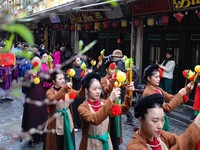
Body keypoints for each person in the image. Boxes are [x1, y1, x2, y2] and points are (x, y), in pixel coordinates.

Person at [78, 72, 134, 150]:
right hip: (90, 144)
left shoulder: (104, 103)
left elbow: (123, 109)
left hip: (106, 143)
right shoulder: (83, 107)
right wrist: (110, 99)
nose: (98, 91)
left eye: (99, 88)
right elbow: (94, 119)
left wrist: (128, 94)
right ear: (87, 90)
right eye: (94, 89)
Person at [127, 93, 200, 150]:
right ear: (141, 120)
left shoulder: (162, 136)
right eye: (155, 120)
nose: (160, 126)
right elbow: (184, 143)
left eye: (162, 120)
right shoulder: (134, 146)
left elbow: (180, 141)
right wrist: (194, 130)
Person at [142, 64, 193, 131]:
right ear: (148, 78)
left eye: (159, 77)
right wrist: (180, 94)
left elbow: (170, 97)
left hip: (161, 119)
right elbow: (167, 108)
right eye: (156, 77)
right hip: (154, 123)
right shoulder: (149, 92)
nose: (159, 79)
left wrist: (187, 89)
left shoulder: (158, 89)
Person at [45, 70, 84, 150]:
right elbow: (53, 99)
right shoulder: (50, 92)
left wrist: (84, 85)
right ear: (53, 81)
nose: (63, 80)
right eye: (60, 79)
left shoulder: (68, 90)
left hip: (67, 119)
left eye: (63, 78)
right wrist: (64, 89)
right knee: (58, 143)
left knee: (69, 141)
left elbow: (78, 94)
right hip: (56, 122)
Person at [21, 56, 48, 148]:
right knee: (31, 118)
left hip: (41, 97)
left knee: (41, 116)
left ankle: (39, 136)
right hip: (31, 98)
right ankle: (30, 138)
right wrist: (31, 80)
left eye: (39, 62)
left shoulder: (43, 73)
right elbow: (24, 89)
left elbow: (48, 83)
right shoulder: (28, 73)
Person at [111, 49, 134, 125]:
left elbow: (120, 74)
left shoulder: (120, 63)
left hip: (122, 85)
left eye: (114, 57)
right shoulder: (121, 62)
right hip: (122, 85)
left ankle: (130, 118)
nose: (113, 58)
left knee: (122, 101)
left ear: (117, 57)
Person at [71, 55, 85, 131]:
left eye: (80, 60)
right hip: (75, 91)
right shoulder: (72, 70)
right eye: (77, 61)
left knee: (82, 107)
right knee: (75, 108)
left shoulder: (82, 69)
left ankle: (81, 123)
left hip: (82, 91)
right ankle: (75, 124)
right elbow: (77, 78)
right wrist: (84, 74)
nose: (79, 62)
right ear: (74, 62)